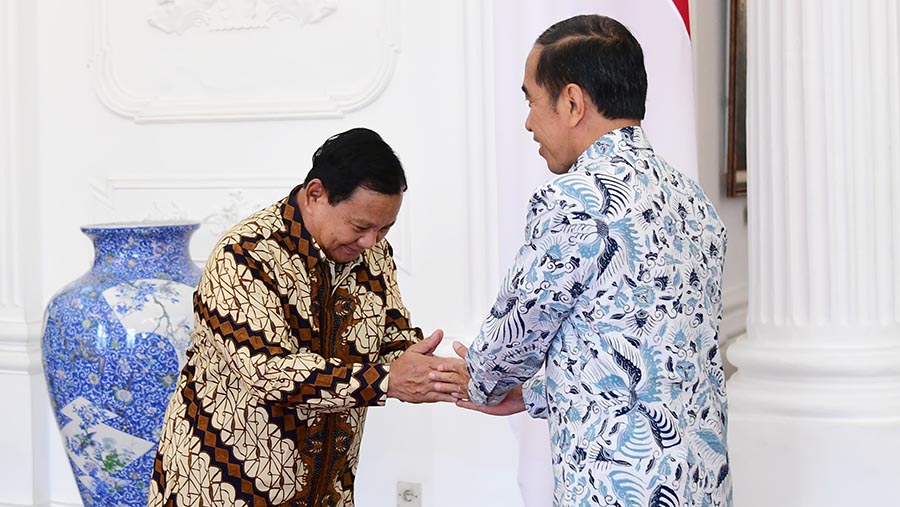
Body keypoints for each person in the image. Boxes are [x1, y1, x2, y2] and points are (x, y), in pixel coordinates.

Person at [445, 14, 733, 507]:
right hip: (700, 481)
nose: (529, 121)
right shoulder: (691, 199)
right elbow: (652, 351)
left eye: (532, 100)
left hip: (618, 485)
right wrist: (534, 394)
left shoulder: (575, 198)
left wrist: (480, 380)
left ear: (573, 102)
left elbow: (514, 340)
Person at [149, 128, 463, 507]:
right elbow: (269, 371)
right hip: (221, 487)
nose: (371, 242)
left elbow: (389, 337)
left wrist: (435, 370)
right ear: (316, 194)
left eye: (385, 228)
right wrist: (386, 380)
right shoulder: (244, 255)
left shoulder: (373, 254)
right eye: (361, 226)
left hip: (325, 487)